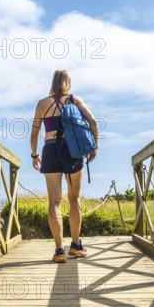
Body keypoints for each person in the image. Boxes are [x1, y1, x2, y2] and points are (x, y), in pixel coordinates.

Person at [30, 70, 99, 263]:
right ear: (68, 82)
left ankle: (59, 250)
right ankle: (76, 246)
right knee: (74, 198)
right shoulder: (75, 100)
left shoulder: (42, 103)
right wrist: (94, 148)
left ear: (52, 83)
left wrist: (35, 155)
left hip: (50, 150)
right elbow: (92, 122)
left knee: (54, 202)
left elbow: (34, 132)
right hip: (73, 151)